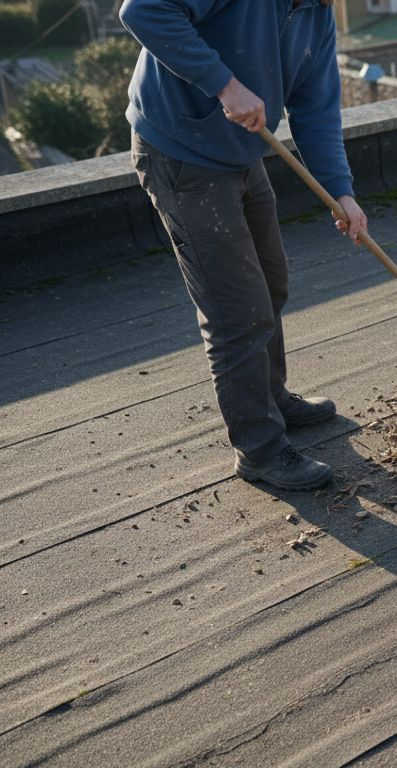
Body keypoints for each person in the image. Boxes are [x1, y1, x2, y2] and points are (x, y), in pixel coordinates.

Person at [120, 0, 367, 491]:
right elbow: (142, 11)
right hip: (180, 153)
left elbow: (316, 109)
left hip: (242, 156)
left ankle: (270, 398)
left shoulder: (317, 16)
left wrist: (341, 192)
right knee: (237, 309)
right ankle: (259, 448)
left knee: (271, 285)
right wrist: (225, 85)